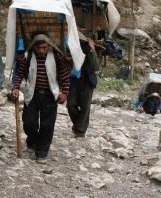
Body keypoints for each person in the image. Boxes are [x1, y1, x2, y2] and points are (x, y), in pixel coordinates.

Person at [11, 33, 70, 164]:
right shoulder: (27, 57)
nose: (41, 51)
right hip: (32, 94)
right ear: (34, 47)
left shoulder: (57, 57)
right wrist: (15, 88)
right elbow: (19, 74)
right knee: (29, 122)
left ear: (49, 46)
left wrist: (65, 92)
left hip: (50, 95)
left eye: (44, 47)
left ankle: (42, 153)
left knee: (47, 125)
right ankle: (33, 140)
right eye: (39, 48)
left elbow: (65, 76)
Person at [66, 32, 99, 138]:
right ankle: (78, 124)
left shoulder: (90, 50)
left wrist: (92, 50)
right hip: (74, 80)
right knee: (70, 104)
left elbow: (96, 66)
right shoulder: (71, 49)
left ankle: (80, 130)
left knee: (85, 107)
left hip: (88, 81)